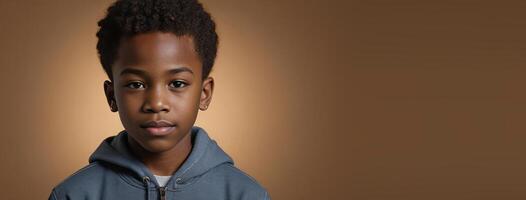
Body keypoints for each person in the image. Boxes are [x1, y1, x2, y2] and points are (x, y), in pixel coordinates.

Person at [48, 0, 269, 199]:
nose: (156, 103)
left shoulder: (245, 195)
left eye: (177, 84)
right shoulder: (74, 194)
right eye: (136, 85)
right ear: (112, 95)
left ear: (204, 93)